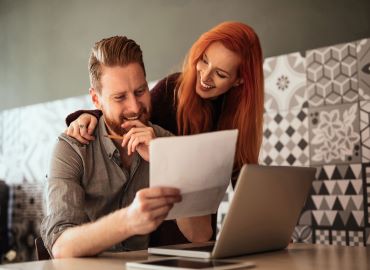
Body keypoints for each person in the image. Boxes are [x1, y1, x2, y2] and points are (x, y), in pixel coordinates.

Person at [65, 21, 264, 245]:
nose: (205, 76)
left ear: (239, 80)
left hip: (199, 236)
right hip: (158, 235)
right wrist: (88, 115)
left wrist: (264, 233)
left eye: (220, 73)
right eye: (204, 60)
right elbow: (133, 116)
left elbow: (245, 187)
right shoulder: (172, 90)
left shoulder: (238, 120)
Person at [40, 36, 212, 259]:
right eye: (120, 97)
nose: (134, 107)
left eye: (140, 91)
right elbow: (61, 247)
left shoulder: (165, 142)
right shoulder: (72, 148)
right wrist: (129, 221)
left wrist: (166, 161)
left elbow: (200, 234)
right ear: (96, 99)